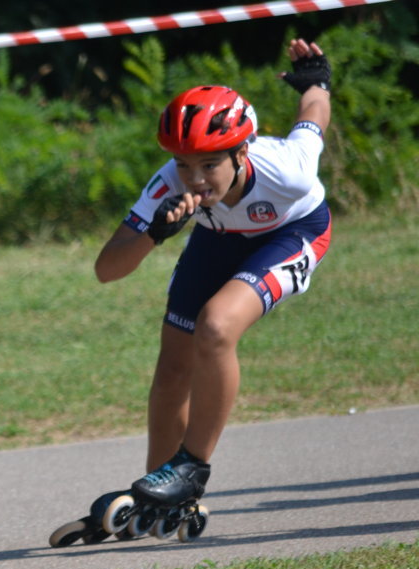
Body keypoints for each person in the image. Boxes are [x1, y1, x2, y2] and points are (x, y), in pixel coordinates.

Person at [94, 39, 332, 506]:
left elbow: (312, 119)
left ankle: (192, 467)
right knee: (172, 369)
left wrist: (316, 82)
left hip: (292, 232)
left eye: (209, 164)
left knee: (217, 326)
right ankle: (156, 489)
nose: (195, 179)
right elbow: (107, 268)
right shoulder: (168, 182)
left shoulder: (288, 169)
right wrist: (153, 234)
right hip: (217, 238)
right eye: (184, 164)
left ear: (242, 153)